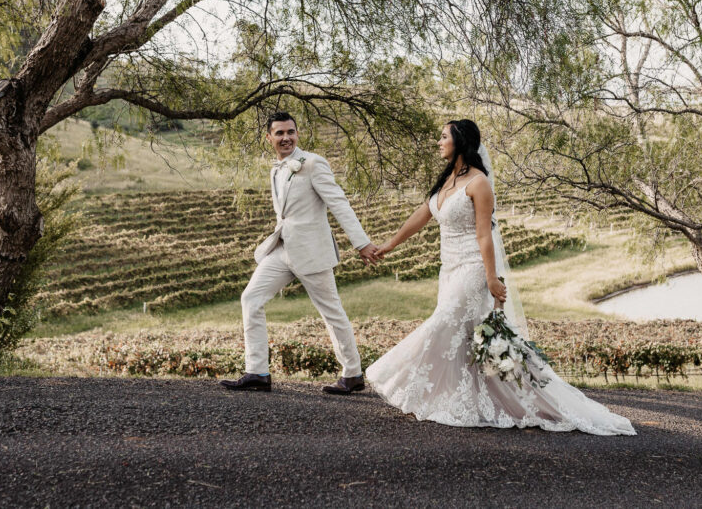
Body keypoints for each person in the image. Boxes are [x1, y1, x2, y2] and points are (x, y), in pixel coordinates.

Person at [365, 119, 636, 434]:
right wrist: (390, 245)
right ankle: (460, 401)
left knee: (442, 324)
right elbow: (421, 216)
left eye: (443, 137)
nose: (438, 143)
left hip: (473, 269)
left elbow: (484, 236)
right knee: (464, 339)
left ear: (460, 142)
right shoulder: (447, 180)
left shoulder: (479, 183)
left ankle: (390, 374)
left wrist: (492, 279)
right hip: (449, 269)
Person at [220, 112, 379, 395]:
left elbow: (338, 203)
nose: (286, 138)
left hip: (311, 252)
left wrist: (361, 243)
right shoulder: (276, 169)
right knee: (251, 298)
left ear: (297, 134)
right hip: (281, 249)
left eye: (290, 132)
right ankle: (257, 371)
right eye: (279, 133)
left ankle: (352, 374)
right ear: (269, 138)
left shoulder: (314, 164)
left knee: (332, 313)